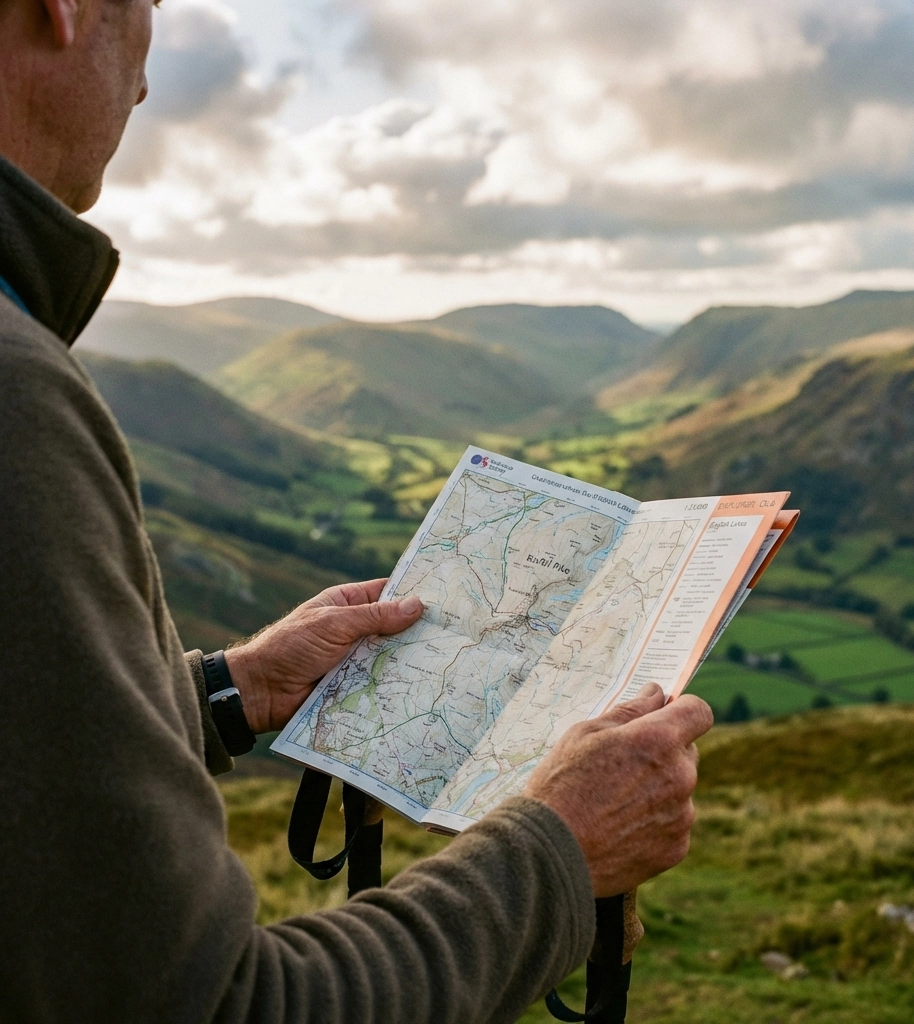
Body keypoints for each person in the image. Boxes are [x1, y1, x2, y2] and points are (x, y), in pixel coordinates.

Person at [0, 1, 714, 1022]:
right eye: (151, 4)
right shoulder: (14, 397)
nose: (152, 77)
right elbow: (214, 1007)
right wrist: (559, 845)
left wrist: (227, 691)